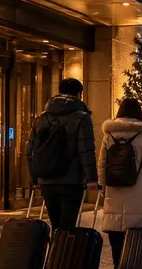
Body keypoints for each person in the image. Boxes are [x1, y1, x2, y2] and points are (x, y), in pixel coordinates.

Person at [98, 98, 142, 269]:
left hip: (114, 188)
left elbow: (102, 163)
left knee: (116, 233)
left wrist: (102, 186)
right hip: (138, 189)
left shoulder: (109, 134)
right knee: (136, 233)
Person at [28, 78, 96, 231]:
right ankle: (63, 253)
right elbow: (86, 149)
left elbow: (31, 151)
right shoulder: (82, 117)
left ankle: (55, 252)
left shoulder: (41, 118)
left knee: (56, 224)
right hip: (71, 180)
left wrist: (34, 178)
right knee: (68, 224)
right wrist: (91, 178)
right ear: (79, 94)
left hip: (47, 179)